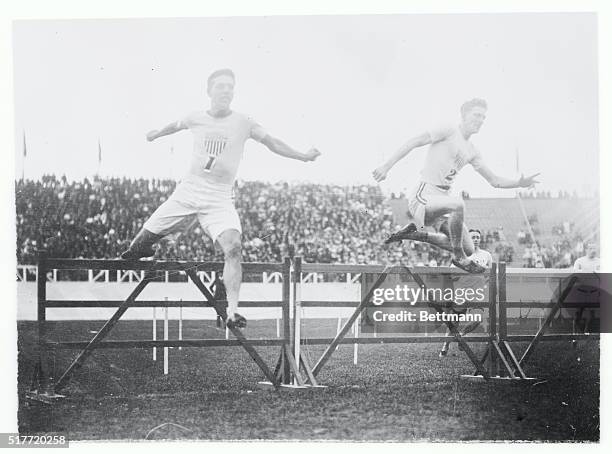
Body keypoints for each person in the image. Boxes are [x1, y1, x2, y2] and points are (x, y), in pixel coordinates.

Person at [121, 69, 321, 328]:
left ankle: (231, 311)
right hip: (188, 191)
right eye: (221, 86)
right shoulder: (195, 117)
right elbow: (175, 125)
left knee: (234, 248)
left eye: (230, 86)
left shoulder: (243, 121)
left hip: (219, 197)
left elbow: (272, 142)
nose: (226, 90)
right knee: (134, 250)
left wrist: (303, 157)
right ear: (209, 91)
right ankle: (145, 247)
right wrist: (156, 134)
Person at [372, 98, 539, 273]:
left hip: (442, 201)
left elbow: (494, 181)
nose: (480, 120)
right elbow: (414, 141)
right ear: (463, 115)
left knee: (468, 247)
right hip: (423, 195)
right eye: (476, 115)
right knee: (458, 205)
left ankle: (414, 235)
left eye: (483, 117)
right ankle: (459, 257)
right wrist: (386, 166)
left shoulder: (472, 150)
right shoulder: (449, 130)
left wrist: (519, 183)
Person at [438, 228, 491, 357]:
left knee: (478, 318)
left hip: (477, 294)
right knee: (454, 321)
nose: (476, 240)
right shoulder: (461, 255)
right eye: (473, 237)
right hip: (461, 293)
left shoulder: (486, 255)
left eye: (478, 237)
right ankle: (445, 346)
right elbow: (452, 274)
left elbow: (489, 273)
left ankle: (460, 336)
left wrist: (483, 283)